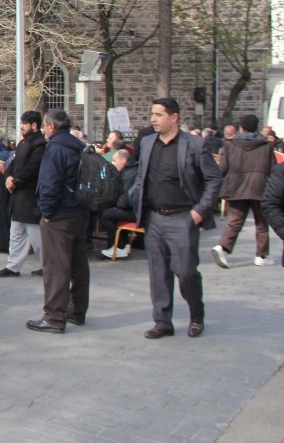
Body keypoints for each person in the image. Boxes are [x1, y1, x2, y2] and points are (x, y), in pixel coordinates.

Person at [134, 97, 222, 339]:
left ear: (174, 117)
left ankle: (196, 315)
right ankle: (162, 322)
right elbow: (142, 177)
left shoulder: (194, 144)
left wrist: (198, 212)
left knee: (186, 272)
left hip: (183, 218)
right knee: (158, 273)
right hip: (154, 218)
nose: (153, 119)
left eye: (159, 114)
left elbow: (214, 180)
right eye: (152, 114)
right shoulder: (147, 142)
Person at [26, 109, 88, 334]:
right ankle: (77, 310)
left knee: (56, 267)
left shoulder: (55, 148)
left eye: (44, 125)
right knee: (78, 264)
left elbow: (50, 183)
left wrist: (47, 212)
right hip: (79, 211)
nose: (43, 128)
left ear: (51, 126)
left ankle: (54, 316)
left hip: (59, 214)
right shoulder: (78, 145)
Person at [211, 114, 276, 268]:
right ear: (257, 127)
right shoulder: (266, 146)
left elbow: (223, 168)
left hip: (236, 187)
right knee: (261, 223)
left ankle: (222, 247)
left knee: (235, 221)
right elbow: (273, 170)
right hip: (260, 187)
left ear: (241, 127)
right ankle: (261, 255)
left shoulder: (230, 145)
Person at [0, 111, 47, 278]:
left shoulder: (40, 145)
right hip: (18, 195)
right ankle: (13, 266)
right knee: (16, 233)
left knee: (36, 235)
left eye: (24, 123)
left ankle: (47, 266)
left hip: (30, 196)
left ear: (34, 125)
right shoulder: (23, 143)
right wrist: (8, 177)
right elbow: (13, 163)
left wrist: (15, 181)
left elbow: (32, 169)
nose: (21, 126)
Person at [98, 149, 139, 259]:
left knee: (105, 214)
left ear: (123, 161)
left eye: (114, 160)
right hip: (133, 209)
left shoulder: (129, 174)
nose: (113, 163)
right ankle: (122, 245)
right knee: (112, 213)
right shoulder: (129, 171)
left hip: (135, 212)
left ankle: (118, 246)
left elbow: (124, 200)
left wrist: (114, 204)